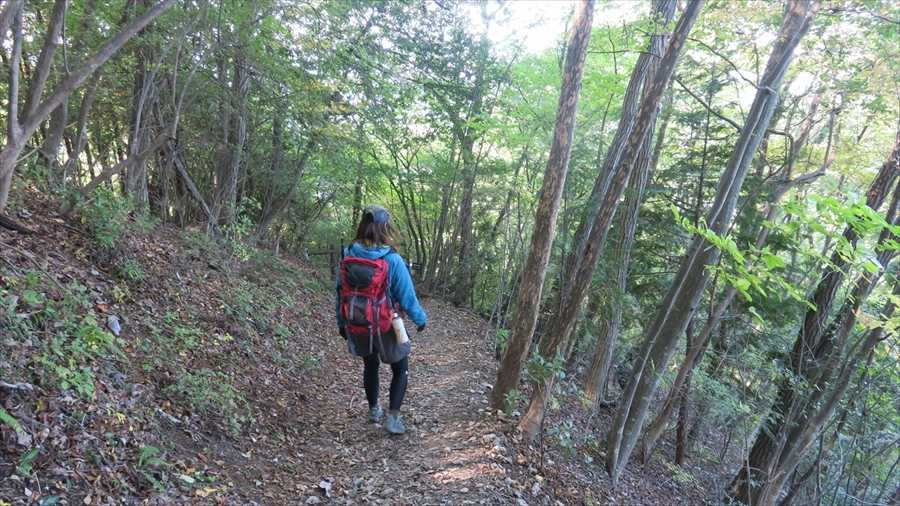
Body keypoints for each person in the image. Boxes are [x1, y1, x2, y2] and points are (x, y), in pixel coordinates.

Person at [335, 205, 427, 435]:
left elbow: (340, 291)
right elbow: (406, 296)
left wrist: (341, 322)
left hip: (358, 321)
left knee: (370, 365)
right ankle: (393, 418)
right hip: (386, 323)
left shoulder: (348, 253)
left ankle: (374, 410)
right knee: (400, 367)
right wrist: (420, 319)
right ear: (385, 228)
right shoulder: (392, 259)